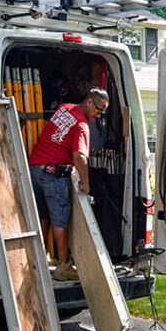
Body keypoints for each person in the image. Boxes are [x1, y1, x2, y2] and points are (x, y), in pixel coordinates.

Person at [27, 87, 109, 281]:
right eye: (98, 110)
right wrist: (86, 183)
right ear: (89, 101)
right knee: (60, 220)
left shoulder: (64, 108)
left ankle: (41, 257)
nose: (99, 116)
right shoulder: (82, 125)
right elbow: (79, 156)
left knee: (42, 216)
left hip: (34, 169)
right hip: (53, 175)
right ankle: (63, 266)